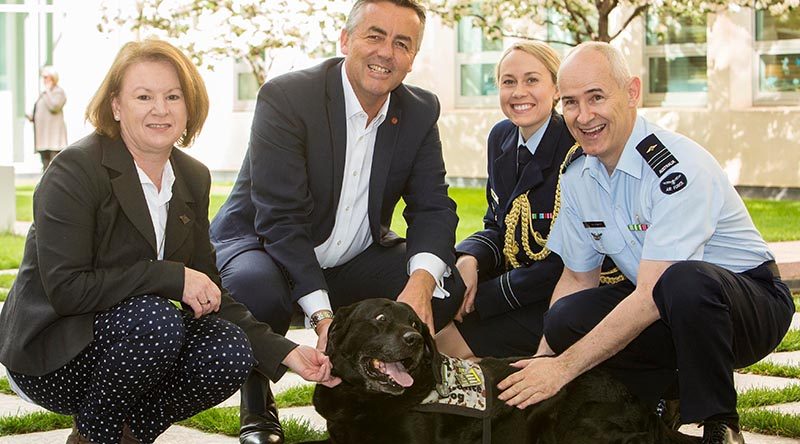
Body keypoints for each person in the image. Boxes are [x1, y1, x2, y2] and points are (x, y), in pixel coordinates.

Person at [0, 39, 339, 444]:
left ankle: (115, 433)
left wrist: (284, 351)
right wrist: (171, 277)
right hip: (53, 355)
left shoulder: (192, 176)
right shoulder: (74, 170)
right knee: (156, 318)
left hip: (131, 344)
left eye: (173, 96)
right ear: (116, 107)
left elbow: (210, 291)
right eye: (143, 96)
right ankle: (98, 432)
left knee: (229, 349)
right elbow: (67, 290)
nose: (160, 109)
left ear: (188, 104)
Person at [496, 42, 794, 444]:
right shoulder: (580, 176)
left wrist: (563, 368)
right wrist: (541, 362)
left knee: (683, 281)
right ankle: (645, 406)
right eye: (570, 102)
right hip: (664, 303)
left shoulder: (676, 167)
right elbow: (576, 278)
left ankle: (716, 423)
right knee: (567, 315)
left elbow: (655, 292)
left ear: (632, 92)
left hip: (747, 305)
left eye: (597, 97)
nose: (584, 117)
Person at [209, 1, 464, 442]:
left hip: (351, 256)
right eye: (375, 35)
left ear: (412, 57)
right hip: (265, 247)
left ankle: (377, 392)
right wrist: (323, 317)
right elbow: (281, 219)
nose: (387, 52)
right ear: (346, 40)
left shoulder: (420, 111)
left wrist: (420, 284)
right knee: (257, 289)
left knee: (443, 283)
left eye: (402, 43)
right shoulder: (288, 97)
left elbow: (433, 206)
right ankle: (256, 402)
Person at [435, 42, 623, 360]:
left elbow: (568, 262)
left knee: (447, 345)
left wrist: (482, 298)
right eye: (509, 82)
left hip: (565, 294)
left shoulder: (577, 148)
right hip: (519, 284)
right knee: (436, 310)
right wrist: (470, 259)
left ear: (556, 90)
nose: (519, 92)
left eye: (532, 80)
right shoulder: (501, 138)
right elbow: (498, 223)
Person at [28, 66, 68, 170]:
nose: (44, 80)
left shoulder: (58, 92)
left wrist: (48, 92)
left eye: (46, 77)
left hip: (53, 139)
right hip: (43, 138)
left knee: (54, 165)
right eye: (43, 77)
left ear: (53, 78)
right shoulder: (44, 93)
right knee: (45, 164)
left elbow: (54, 107)